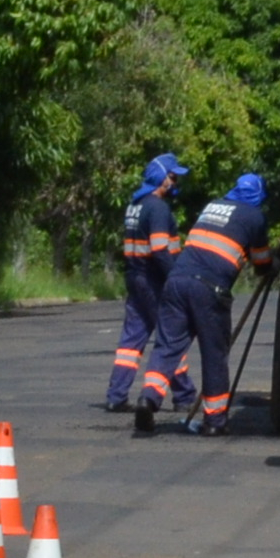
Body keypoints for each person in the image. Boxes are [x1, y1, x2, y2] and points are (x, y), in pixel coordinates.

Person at [134, 172, 273, 435]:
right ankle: (215, 422)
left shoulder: (213, 205)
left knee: (167, 347)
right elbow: (262, 264)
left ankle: (148, 398)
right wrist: (275, 261)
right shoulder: (255, 216)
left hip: (176, 281)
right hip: (209, 289)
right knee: (214, 355)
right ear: (259, 195)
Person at [105, 154, 184, 411]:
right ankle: (185, 395)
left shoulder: (135, 205)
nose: (176, 182)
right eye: (173, 177)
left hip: (134, 276)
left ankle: (116, 396)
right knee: (170, 337)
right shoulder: (158, 208)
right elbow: (160, 250)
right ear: (161, 178)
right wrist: (175, 277)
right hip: (153, 280)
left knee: (131, 340)